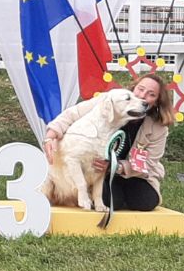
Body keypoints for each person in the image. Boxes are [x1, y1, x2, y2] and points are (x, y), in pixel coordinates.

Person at [42, 73, 176, 211]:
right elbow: (72, 114)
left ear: (157, 101)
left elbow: (148, 163)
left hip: (135, 174)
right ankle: (99, 195)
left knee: (146, 201)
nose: (142, 96)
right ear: (133, 88)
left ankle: (119, 194)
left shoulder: (159, 129)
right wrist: (51, 136)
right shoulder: (110, 100)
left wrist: (116, 167)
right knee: (110, 201)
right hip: (102, 174)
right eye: (140, 89)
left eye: (151, 94)